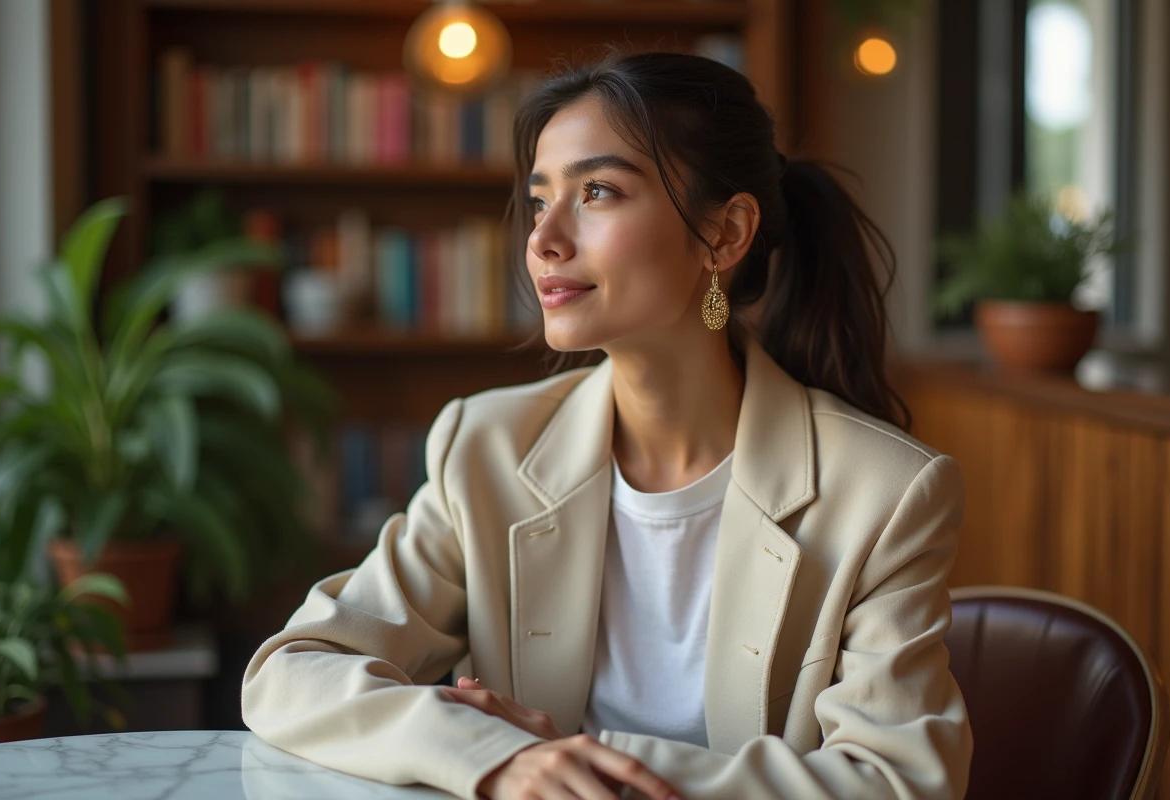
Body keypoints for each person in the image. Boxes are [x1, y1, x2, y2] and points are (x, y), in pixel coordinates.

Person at [242, 50, 972, 800]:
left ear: (724, 235)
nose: (544, 239)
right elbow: (292, 673)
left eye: (596, 192)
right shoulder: (486, 447)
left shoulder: (885, 492)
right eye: (538, 201)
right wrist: (490, 754)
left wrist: (581, 759)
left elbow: (898, 781)